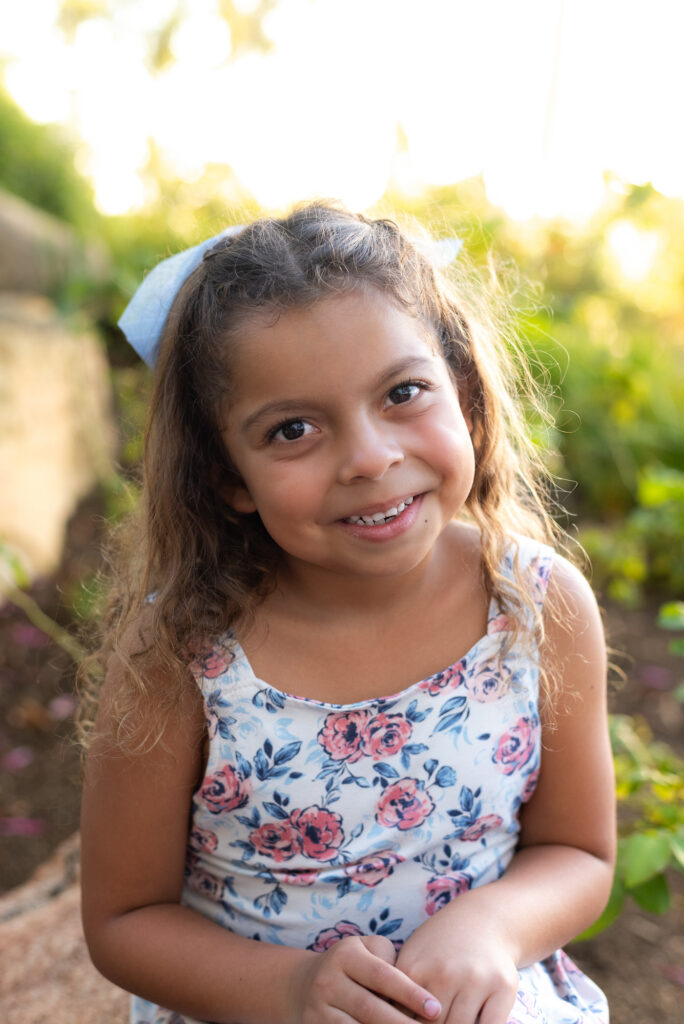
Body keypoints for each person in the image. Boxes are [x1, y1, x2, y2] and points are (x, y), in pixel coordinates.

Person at [80, 202, 615, 1024]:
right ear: (226, 473)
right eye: (293, 428)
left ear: (465, 395)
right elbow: (123, 922)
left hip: (478, 1001)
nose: (369, 458)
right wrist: (293, 991)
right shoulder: (182, 656)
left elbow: (578, 852)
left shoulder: (537, 608)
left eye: (403, 392)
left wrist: (492, 926)